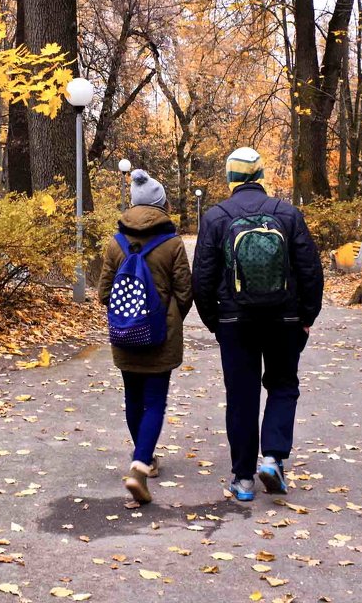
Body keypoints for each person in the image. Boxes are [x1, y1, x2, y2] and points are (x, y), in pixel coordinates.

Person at [192, 147, 324, 502]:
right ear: (262, 176)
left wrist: (215, 323)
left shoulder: (216, 217)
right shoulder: (288, 213)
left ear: (231, 178)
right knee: (282, 385)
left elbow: (202, 279)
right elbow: (311, 270)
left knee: (241, 396)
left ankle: (243, 480)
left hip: (235, 321)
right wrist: (307, 317)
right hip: (285, 318)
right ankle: (273, 458)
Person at [98, 169, 193, 504]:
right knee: (155, 400)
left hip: (125, 332)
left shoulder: (116, 242)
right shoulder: (171, 243)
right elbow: (184, 291)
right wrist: (169, 320)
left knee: (133, 398)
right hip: (160, 335)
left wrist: (125, 316)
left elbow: (104, 291)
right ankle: (140, 465)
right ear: (161, 203)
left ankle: (146, 457)